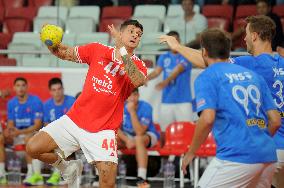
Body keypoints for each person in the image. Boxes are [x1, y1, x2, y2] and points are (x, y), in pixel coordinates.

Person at [160, 15, 284, 188]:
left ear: (254, 36)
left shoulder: (250, 64)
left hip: (258, 148)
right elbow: (276, 119)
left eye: (247, 34)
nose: (245, 38)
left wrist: (178, 47)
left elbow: (211, 61)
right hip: (268, 152)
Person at [26, 19, 147, 188]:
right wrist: (50, 42)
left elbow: (137, 79)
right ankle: (67, 168)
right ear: (120, 33)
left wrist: (121, 48)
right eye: (132, 31)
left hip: (103, 130)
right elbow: (64, 52)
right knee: (33, 148)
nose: (136, 35)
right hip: (75, 120)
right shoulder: (98, 49)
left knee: (107, 182)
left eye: (139, 34)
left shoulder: (139, 65)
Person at [0, 77, 44, 186]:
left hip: (33, 133)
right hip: (18, 134)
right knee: (1, 137)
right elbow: (10, 122)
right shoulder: (11, 103)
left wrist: (19, 132)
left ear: (27, 87)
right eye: (18, 85)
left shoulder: (35, 101)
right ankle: (1, 173)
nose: (21, 88)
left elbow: (37, 125)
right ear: (14, 88)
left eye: (23, 85)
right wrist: (9, 131)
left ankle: (31, 173)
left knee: (28, 138)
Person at [147, 31, 193, 132]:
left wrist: (165, 82)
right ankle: (163, 148)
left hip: (184, 101)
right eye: (170, 40)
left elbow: (178, 70)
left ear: (179, 41)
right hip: (167, 100)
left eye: (176, 40)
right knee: (165, 130)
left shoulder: (186, 55)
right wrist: (145, 79)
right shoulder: (164, 57)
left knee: (187, 130)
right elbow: (157, 72)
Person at [117, 88, 159, 187]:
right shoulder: (120, 106)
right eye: (129, 95)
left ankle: (141, 177)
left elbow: (140, 132)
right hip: (128, 137)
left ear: (138, 95)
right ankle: (104, 174)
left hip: (148, 135)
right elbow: (114, 127)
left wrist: (132, 112)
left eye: (135, 95)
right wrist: (127, 140)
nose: (132, 98)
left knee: (139, 139)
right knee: (111, 139)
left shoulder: (146, 107)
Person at [43, 78, 76, 186]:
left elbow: (77, 122)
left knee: (61, 142)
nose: (57, 92)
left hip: (72, 134)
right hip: (55, 135)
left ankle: (57, 174)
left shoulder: (72, 101)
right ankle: (55, 173)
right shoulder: (47, 104)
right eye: (54, 90)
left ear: (63, 89)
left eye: (59, 89)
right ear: (50, 92)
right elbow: (46, 124)